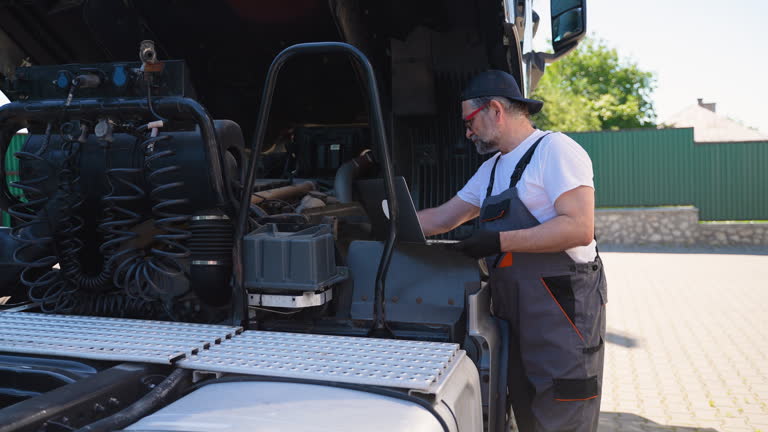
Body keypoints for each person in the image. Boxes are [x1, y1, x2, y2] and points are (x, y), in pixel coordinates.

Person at [417, 70, 607, 432]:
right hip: (515, 315)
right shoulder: (492, 169)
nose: (467, 132)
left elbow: (579, 227)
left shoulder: (555, 151)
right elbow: (444, 217)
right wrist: (388, 219)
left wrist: (499, 241)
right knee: (528, 414)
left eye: (470, 121)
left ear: (495, 110)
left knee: (563, 414)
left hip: (563, 314)